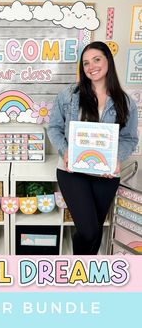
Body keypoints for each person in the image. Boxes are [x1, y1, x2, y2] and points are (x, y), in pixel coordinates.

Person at [47, 41, 138, 255]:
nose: (91, 66)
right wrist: (65, 151)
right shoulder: (69, 95)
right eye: (86, 63)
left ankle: (86, 277)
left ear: (108, 61)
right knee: (88, 231)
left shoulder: (125, 101)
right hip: (72, 170)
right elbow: (54, 128)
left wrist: (116, 159)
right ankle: (78, 269)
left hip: (106, 173)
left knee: (95, 231)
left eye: (97, 59)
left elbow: (129, 138)